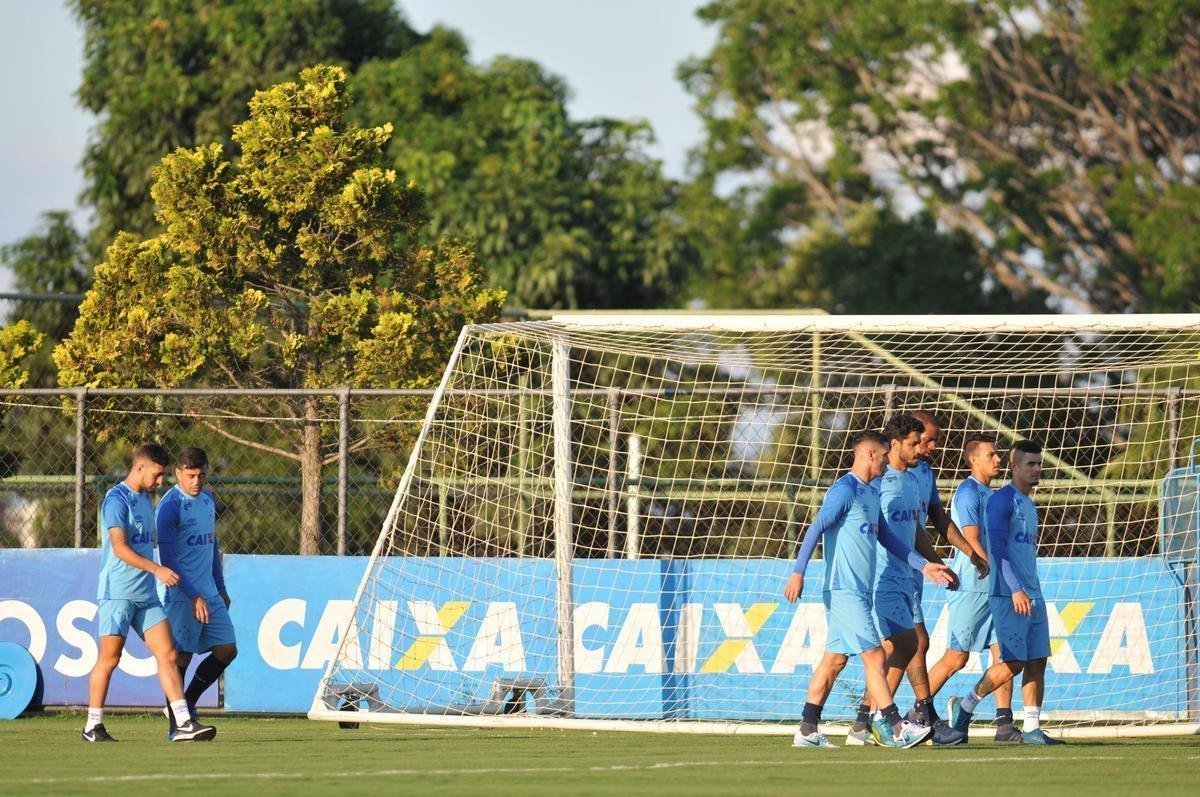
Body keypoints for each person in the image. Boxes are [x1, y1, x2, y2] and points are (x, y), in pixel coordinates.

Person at [785, 429, 956, 749]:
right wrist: (798, 572)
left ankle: (807, 729)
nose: (885, 463)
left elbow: (888, 539)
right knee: (875, 655)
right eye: (881, 456)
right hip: (844, 589)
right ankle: (893, 726)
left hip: (860, 591)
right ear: (869, 456)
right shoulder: (844, 490)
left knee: (834, 661)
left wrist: (925, 565)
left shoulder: (870, 493)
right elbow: (816, 527)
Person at [82, 443, 216, 743]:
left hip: (146, 595)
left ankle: (182, 721)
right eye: (157, 475)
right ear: (140, 467)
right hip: (118, 593)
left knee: (168, 653)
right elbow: (119, 548)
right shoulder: (116, 500)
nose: (159, 482)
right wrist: (157, 569)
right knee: (110, 658)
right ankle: (92, 725)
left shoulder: (146, 500)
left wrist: (153, 575)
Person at [845, 413, 958, 746]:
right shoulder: (875, 484)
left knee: (900, 646)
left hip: (911, 576)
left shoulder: (911, 480)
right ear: (894, 444)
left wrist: (933, 564)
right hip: (883, 576)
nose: (920, 449)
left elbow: (916, 529)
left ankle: (862, 725)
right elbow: (869, 530)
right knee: (910, 643)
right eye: (913, 443)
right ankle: (890, 719)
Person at [947, 440, 1065, 745]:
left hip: (1032, 593)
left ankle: (1032, 728)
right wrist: (1015, 588)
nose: (1037, 469)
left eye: (1040, 464)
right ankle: (966, 706)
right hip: (1007, 594)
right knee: (1013, 662)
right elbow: (996, 550)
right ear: (1014, 466)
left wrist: (1029, 589)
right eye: (1030, 464)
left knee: (1038, 660)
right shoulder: (1001, 501)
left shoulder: (1029, 503)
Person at [924, 433, 1017, 742]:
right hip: (974, 586)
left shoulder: (998, 496)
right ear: (973, 459)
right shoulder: (968, 492)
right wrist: (999, 571)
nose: (999, 459)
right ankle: (915, 713)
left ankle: (1003, 723)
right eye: (991, 454)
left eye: (998, 454)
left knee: (1003, 655)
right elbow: (972, 539)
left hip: (996, 587)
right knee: (956, 658)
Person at [905, 409, 988, 731]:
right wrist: (928, 562)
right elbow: (900, 532)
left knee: (910, 644)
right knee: (910, 645)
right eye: (928, 440)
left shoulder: (924, 472)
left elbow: (936, 520)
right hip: (889, 571)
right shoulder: (889, 476)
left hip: (915, 571)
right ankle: (898, 715)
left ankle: (899, 715)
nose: (933, 446)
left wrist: (968, 556)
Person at [156, 447, 237, 736]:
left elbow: (212, 546)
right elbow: (169, 561)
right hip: (181, 595)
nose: (196, 481)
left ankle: (186, 703)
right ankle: (176, 727)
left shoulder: (208, 500)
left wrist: (220, 586)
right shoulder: (169, 506)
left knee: (227, 650)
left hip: (209, 592)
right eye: (190, 475)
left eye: (201, 475)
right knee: (181, 657)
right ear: (178, 473)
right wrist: (193, 595)